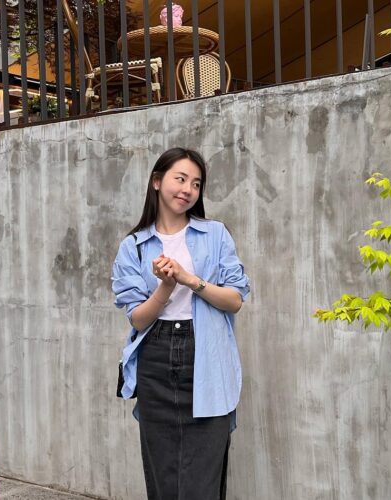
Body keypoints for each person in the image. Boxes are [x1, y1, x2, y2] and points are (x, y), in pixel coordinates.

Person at [111, 147, 250, 500]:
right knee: (163, 477)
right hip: (155, 358)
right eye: (181, 179)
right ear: (157, 182)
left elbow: (234, 300)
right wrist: (166, 287)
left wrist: (189, 279)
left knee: (202, 480)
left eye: (196, 184)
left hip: (207, 356)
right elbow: (138, 318)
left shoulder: (216, 234)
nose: (188, 189)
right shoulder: (134, 246)